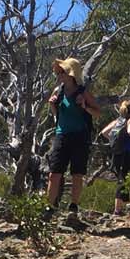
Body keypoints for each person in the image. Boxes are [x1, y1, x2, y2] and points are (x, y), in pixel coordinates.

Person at [46, 57, 104, 221]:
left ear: (70, 75)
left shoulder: (82, 93)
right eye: (58, 72)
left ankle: (74, 206)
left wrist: (85, 106)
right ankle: (49, 207)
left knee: (77, 173)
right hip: (61, 135)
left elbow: (98, 112)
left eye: (62, 71)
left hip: (80, 136)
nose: (58, 74)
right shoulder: (58, 91)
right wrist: (52, 106)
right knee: (54, 173)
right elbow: (57, 115)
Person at [103, 100, 130, 215]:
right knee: (124, 180)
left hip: (117, 154)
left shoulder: (118, 121)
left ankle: (125, 207)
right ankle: (118, 210)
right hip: (127, 153)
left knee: (123, 179)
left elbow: (104, 132)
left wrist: (114, 142)